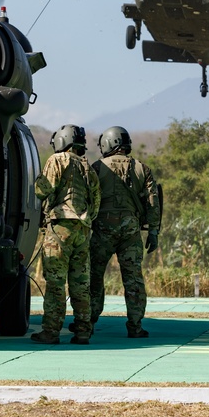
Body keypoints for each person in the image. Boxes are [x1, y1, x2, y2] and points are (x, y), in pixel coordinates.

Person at [86, 126, 161, 338]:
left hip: (102, 231)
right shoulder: (141, 168)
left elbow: (87, 198)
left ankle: (88, 323)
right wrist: (153, 232)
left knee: (94, 276)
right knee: (133, 278)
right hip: (131, 232)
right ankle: (135, 326)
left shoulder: (97, 167)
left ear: (107, 143)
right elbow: (152, 203)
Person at [31, 124, 100, 345]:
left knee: (56, 283)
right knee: (81, 285)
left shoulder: (58, 160)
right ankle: (82, 332)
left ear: (63, 140)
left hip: (61, 227)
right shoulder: (88, 166)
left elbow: (42, 190)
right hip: (83, 229)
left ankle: (51, 331)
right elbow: (96, 203)